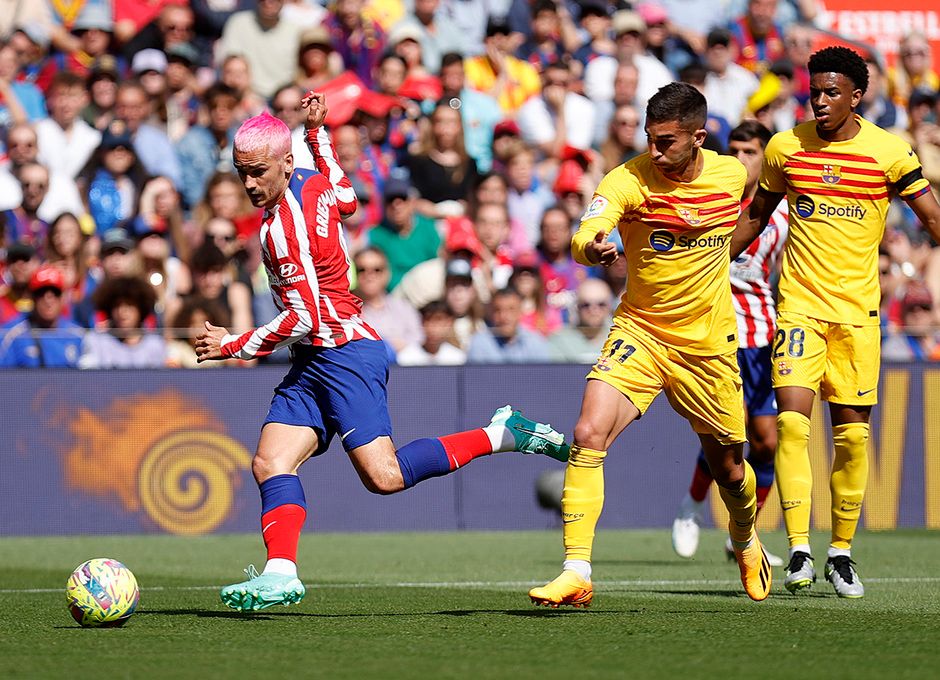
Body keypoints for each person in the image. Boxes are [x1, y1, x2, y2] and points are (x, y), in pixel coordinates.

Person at [194, 93, 569, 611]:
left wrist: (231, 345)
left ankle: (503, 432)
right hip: (314, 358)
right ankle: (281, 573)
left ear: (283, 164)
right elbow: (348, 199)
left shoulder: (283, 231)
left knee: (384, 477)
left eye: (258, 172)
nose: (249, 185)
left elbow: (302, 317)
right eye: (242, 173)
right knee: (270, 460)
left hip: (343, 353)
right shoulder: (311, 180)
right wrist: (317, 138)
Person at [529, 82, 770, 609]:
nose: (655, 151)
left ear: (698, 138)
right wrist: (593, 247)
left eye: (666, 141)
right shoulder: (628, 179)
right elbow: (587, 229)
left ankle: (747, 538)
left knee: (729, 467)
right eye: (649, 139)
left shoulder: (732, 176)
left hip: (707, 346)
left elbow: (754, 217)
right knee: (588, 430)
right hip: (640, 331)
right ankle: (576, 570)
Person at [731, 46, 940, 598]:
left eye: (831, 93)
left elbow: (933, 218)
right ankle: (799, 548)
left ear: (856, 96)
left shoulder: (890, 153)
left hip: (859, 318)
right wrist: (708, 257)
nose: (819, 102)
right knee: (793, 425)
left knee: (851, 437)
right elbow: (756, 216)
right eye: (814, 92)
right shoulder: (786, 147)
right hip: (799, 307)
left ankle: (841, 552)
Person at [671, 120, 789, 566]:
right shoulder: (712, 197)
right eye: (734, 150)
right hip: (715, 332)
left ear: (766, 159)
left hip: (761, 334)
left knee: (767, 444)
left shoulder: (783, 213)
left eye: (749, 152)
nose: (739, 160)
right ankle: (692, 507)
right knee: (729, 430)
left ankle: (744, 534)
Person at [0, 265, 83, 368]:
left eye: (55, 293)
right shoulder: (12, 335)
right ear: (31, 297)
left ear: (63, 298)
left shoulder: (77, 335)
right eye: (41, 293)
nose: (48, 300)